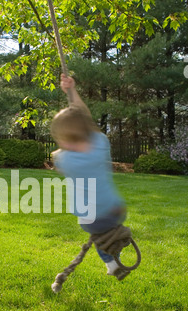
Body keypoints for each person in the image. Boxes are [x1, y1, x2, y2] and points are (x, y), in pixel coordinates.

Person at [51, 74, 129, 281]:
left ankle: (111, 263)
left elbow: (61, 151)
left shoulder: (64, 160)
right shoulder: (101, 143)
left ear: (63, 140)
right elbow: (84, 117)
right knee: (110, 232)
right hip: (114, 209)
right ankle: (114, 253)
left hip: (89, 219)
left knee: (100, 237)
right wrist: (72, 91)